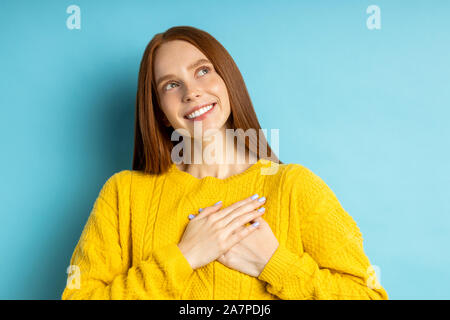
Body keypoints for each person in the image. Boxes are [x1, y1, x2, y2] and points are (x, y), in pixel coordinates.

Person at [61, 26, 388, 300]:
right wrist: (184, 256)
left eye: (202, 71)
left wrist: (274, 264)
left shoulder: (293, 186)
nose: (191, 92)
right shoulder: (124, 194)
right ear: (159, 110)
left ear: (228, 80)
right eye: (171, 85)